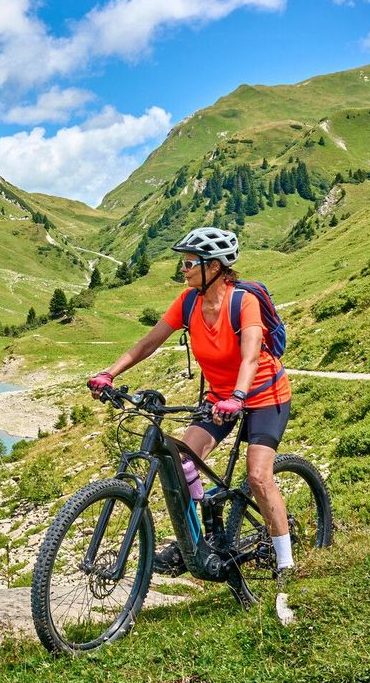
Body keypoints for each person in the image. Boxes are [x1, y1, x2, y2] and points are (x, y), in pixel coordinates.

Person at [86, 227, 294, 577]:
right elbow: (148, 343)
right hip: (220, 398)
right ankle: (196, 543)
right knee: (181, 460)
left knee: (258, 476)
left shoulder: (244, 302)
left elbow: (251, 359)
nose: (181, 270)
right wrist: (109, 373)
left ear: (213, 267)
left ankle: (286, 562)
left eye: (188, 263)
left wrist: (239, 396)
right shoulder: (188, 302)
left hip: (263, 395)